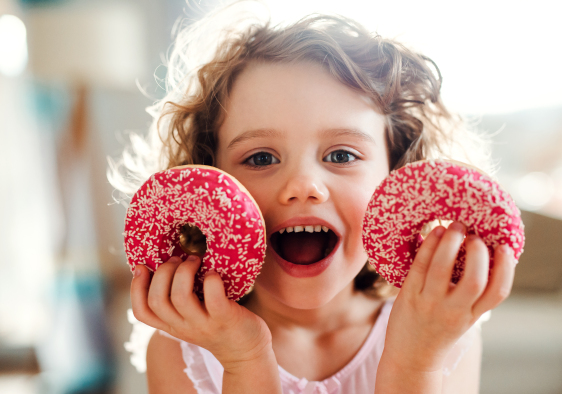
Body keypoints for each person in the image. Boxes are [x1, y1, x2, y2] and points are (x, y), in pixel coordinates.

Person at [110, 2, 516, 393]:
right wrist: (243, 359)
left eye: (341, 155)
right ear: (208, 183)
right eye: (261, 157)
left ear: (397, 175)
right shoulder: (185, 352)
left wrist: (416, 363)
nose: (303, 184)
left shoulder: (443, 336)